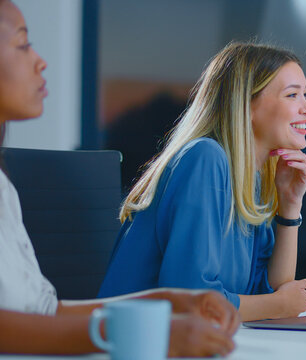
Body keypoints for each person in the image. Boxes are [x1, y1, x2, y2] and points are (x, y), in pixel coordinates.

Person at [0, 0, 239, 356]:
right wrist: (132, 331)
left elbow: (44, 312)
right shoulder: (205, 159)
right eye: (22, 44)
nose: (40, 60)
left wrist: (170, 302)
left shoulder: (4, 188)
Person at [98, 42, 306, 322]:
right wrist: (277, 305)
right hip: (136, 342)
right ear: (246, 105)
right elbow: (192, 298)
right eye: (292, 95)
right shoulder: (205, 158)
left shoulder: (254, 180)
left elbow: (270, 290)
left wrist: (290, 206)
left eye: (304, 95)